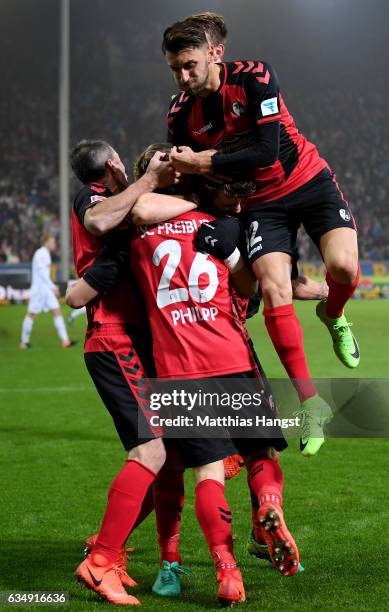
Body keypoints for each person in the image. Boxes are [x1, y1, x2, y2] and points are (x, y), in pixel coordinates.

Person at [67, 142, 301, 605]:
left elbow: (90, 272)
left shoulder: (137, 226)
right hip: (203, 351)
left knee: (180, 465)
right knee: (205, 455)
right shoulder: (212, 225)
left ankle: (198, 564)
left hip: (168, 360)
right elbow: (254, 284)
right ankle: (262, 515)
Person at [161, 19, 360, 455]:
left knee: (344, 267)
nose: (183, 78)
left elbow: (266, 150)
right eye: (175, 69)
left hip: (307, 179)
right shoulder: (180, 115)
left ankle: (333, 312)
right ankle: (312, 403)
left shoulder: (254, 77)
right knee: (274, 290)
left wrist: (203, 162)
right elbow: (188, 179)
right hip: (261, 204)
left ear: (216, 53)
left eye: (190, 65)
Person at [69, 139, 195, 606]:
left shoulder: (126, 207)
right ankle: (101, 560)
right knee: (152, 452)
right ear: (113, 165)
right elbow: (101, 221)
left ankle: (108, 547)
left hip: (138, 342)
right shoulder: (94, 198)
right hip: (114, 338)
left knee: (168, 456)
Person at [20, 235, 75, 349]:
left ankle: (65, 341)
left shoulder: (45, 254)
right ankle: (24, 342)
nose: (54, 244)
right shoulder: (41, 254)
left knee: (57, 311)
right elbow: (42, 273)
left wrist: (50, 287)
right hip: (39, 289)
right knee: (31, 314)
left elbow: (44, 273)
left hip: (45, 289)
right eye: (52, 242)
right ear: (46, 242)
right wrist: (53, 287)